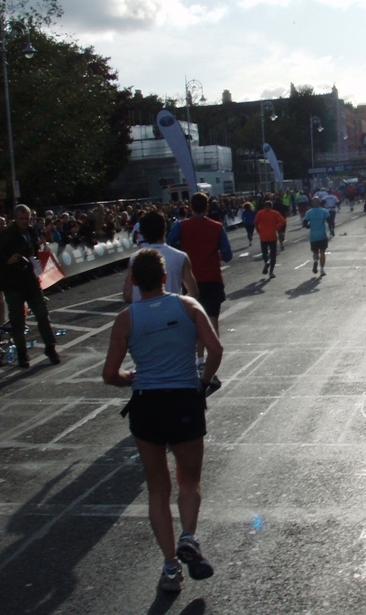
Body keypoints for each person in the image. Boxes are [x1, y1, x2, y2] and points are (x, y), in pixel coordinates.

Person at [102, 248, 222, 592]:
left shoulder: (127, 317)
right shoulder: (187, 306)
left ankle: (170, 567)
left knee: (157, 488)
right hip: (184, 397)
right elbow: (215, 349)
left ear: (135, 281)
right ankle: (188, 536)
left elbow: (109, 374)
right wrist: (200, 383)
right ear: (166, 277)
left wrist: (131, 377)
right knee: (189, 480)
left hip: (147, 403)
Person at [0, 205, 60, 368]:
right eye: (22, 219)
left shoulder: (31, 232)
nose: (25, 222)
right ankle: (22, 354)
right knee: (17, 320)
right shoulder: (5, 235)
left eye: (27, 219)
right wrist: (7, 260)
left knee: (42, 315)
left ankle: (50, 347)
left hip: (30, 280)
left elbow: (34, 251)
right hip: (13, 283)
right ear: (15, 219)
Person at [166, 193, 232, 369]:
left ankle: (199, 360)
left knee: (193, 320)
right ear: (207, 207)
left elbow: (169, 243)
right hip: (212, 278)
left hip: (190, 280)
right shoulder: (217, 227)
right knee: (212, 320)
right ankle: (212, 361)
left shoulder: (181, 226)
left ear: (190, 207)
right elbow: (228, 255)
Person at [123, 211, 198, 304]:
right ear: (165, 230)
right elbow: (194, 293)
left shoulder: (134, 258)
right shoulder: (180, 256)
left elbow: (127, 294)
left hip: (142, 314)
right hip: (170, 313)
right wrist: (178, 305)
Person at [254, 200, 287, 279]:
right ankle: (271, 272)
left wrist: (259, 230)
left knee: (264, 252)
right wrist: (277, 226)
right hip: (272, 235)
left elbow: (255, 222)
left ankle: (266, 262)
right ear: (271, 206)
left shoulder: (260, 213)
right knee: (273, 255)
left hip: (263, 236)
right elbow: (283, 221)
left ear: (264, 206)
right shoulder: (275, 213)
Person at [304, 197, 330, 276]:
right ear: (319, 203)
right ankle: (322, 269)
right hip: (322, 235)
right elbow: (329, 220)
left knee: (315, 252)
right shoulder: (324, 211)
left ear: (312, 203)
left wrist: (309, 226)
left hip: (313, 236)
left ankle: (315, 261)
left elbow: (305, 223)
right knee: (322, 252)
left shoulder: (309, 212)